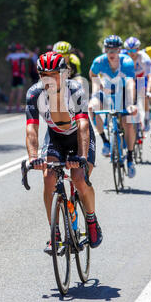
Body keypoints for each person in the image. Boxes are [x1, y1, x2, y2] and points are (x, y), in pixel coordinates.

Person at [25, 51, 102, 253]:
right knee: (48, 176)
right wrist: (33, 158)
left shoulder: (75, 90)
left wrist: (82, 156)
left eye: (53, 74)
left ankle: (92, 220)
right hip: (56, 137)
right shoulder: (34, 94)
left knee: (78, 178)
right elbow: (31, 128)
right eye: (43, 75)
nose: (48, 79)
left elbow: (84, 124)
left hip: (79, 137)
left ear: (64, 73)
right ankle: (55, 232)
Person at [88, 35, 138, 178]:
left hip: (123, 93)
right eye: (108, 49)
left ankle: (129, 157)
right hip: (106, 91)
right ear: (104, 49)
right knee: (92, 108)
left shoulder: (126, 61)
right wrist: (96, 91)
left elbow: (130, 83)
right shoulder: (99, 61)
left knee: (127, 123)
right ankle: (105, 142)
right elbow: (92, 74)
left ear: (119, 50)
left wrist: (130, 104)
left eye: (114, 49)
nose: (111, 52)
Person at [123, 36, 151, 131]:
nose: (132, 53)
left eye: (134, 51)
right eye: (129, 51)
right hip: (128, 79)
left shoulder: (145, 59)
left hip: (141, 78)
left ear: (138, 49)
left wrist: (148, 91)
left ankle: (147, 118)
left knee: (144, 94)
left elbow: (150, 77)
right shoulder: (122, 57)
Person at [6, 43, 32, 113]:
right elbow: (31, 55)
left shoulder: (11, 55)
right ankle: (18, 108)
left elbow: (7, 58)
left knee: (12, 92)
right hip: (20, 76)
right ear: (20, 49)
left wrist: (10, 50)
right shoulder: (22, 55)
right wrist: (25, 49)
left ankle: (9, 107)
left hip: (14, 76)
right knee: (20, 92)